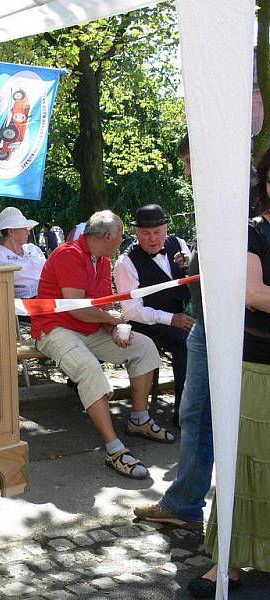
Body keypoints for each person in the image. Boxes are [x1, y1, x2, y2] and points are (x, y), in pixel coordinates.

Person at [32, 210, 172, 480]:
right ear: (108, 236)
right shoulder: (68, 254)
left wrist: (113, 325)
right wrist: (112, 319)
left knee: (143, 346)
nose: (122, 241)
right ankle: (114, 448)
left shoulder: (104, 260)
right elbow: (79, 310)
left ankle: (139, 419)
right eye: (120, 236)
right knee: (90, 370)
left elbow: (101, 307)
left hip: (88, 328)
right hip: (55, 329)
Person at [186, 148, 270, 598]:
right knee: (247, 460)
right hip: (255, 363)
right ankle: (229, 562)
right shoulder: (252, 232)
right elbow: (254, 295)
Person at [133, 134, 215, 531]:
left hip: (215, 322)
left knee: (199, 414)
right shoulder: (128, 261)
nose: (185, 171)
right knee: (196, 413)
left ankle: (193, 506)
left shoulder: (240, 195)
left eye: (189, 161)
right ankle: (187, 502)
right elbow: (134, 310)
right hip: (175, 324)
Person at [114, 203, 193, 428]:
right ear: (137, 233)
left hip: (183, 314)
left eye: (157, 232)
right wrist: (171, 319)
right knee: (186, 342)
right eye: (146, 233)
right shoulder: (125, 262)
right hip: (146, 322)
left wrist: (189, 266)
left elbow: (195, 280)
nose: (153, 238)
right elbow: (131, 310)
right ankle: (184, 414)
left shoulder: (178, 244)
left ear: (166, 228)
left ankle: (209, 406)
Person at [0, 207, 46, 298]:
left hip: (49, 294)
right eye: (25, 229)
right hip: (23, 303)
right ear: (11, 231)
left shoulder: (33, 248)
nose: (28, 233)